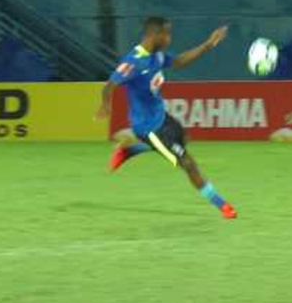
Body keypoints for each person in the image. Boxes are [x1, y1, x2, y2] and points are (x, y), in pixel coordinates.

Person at [95, 16, 237, 219]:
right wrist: (106, 104)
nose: (169, 38)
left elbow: (178, 61)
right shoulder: (134, 61)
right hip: (148, 129)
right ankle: (221, 204)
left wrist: (208, 44)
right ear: (154, 35)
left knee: (184, 139)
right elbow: (110, 84)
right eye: (167, 34)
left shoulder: (158, 56)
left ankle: (128, 150)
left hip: (162, 117)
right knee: (187, 163)